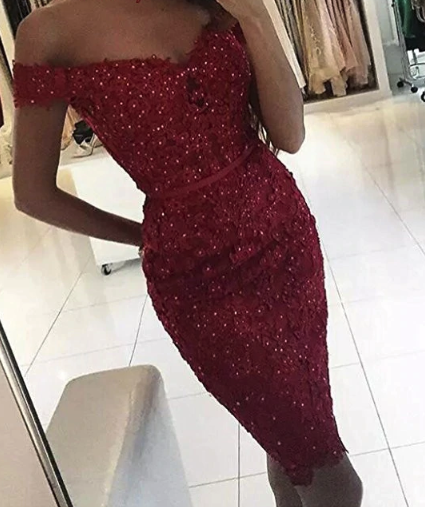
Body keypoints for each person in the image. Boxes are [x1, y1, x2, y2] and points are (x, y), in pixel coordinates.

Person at [12, 0, 363, 505]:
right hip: (197, 282)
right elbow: (33, 194)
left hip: (283, 242)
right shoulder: (48, 33)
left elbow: (290, 135)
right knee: (326, 469)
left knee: (292, 439)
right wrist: (144, 236)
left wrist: (255, 16)